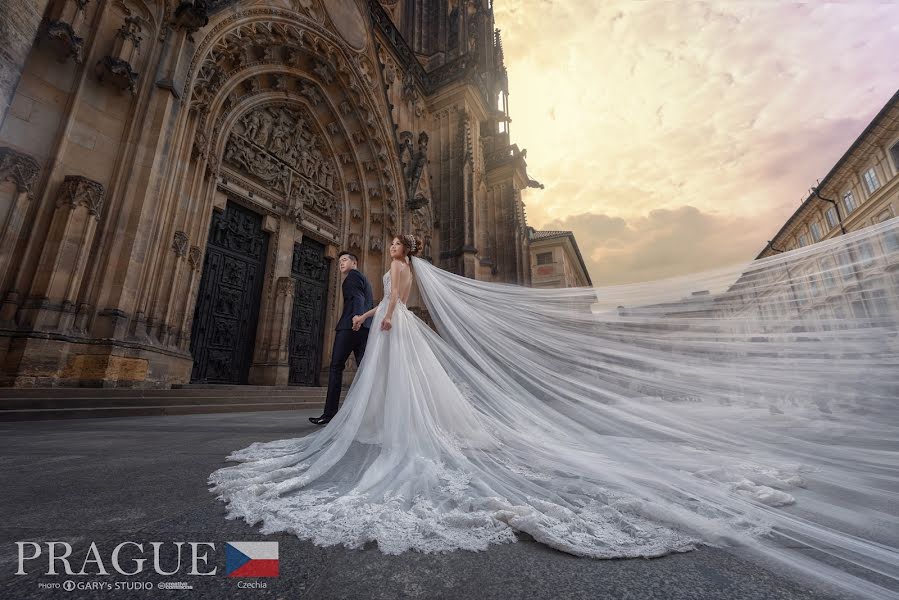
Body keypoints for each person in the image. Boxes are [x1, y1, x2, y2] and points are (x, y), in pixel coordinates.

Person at [210, 223, 899, 599]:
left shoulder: (399, 274)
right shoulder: (403, 269)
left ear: (398, 253)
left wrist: (374, 321)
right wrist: (377, 319)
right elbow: (399, 298)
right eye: (389, 244)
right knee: (415, 401)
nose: (390, 246)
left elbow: (398, 301)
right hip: (394, 331)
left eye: (393, 244)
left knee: (407, 401)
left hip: (395, 331)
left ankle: (399, 438)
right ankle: (405, 432)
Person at [309, 251, 374, 426]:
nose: (341, 264)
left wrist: (356, 318)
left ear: (355, 263)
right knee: (366, 370)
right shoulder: (365, 279)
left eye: (344, 260)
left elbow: (357, 298)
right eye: (339, 262)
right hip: (365, 328)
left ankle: (329, 414)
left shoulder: (352, 277)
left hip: (350, 326)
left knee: (336, 367)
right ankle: (372, 413)